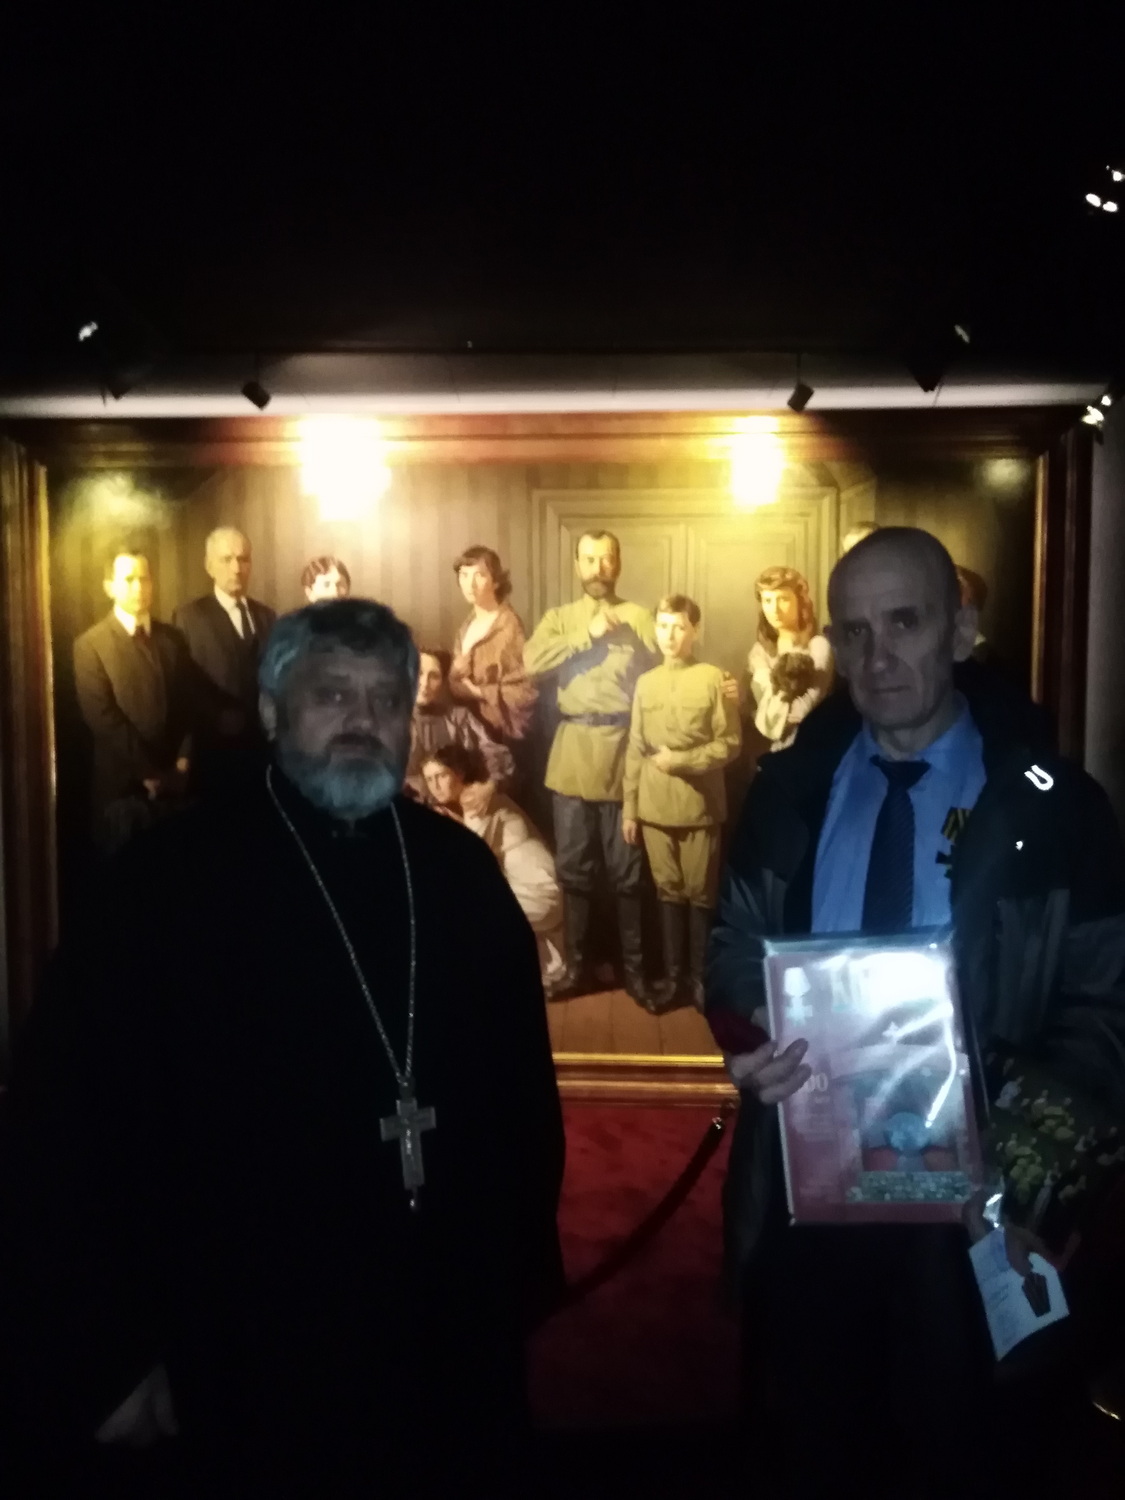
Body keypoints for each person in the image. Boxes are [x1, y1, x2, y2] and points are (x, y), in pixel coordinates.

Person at [0, 599, 565, 1496]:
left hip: (438, 1318)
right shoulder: (167, 883)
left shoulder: (456, 873)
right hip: (246, 1329)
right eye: (330, 694)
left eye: (385, 699)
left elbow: (522, 1104)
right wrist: (108, 1349)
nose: (362, 720)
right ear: (270, 709)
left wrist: (512, 1284)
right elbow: (66, 1120)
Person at [707, 527, 1125, 1496]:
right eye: (853, 632)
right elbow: (732, 945)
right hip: (811, 1194)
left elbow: (1105, 1009)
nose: (877, 656)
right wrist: (753, 1028)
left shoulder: (1054, 808)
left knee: (964, 1449)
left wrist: (1025, 1181)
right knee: (816, 1444)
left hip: (976, 1211)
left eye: (904, 623)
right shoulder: (788, 791)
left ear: (961, 631)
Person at [524, 530, 659, 1006]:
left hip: (625, 751)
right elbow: (531, 661)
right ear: (576, 565)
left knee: (628, 873)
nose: (598, 568)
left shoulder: (640, 616)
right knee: (574, 870)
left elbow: (673, 662)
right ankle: (577, 970)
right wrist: (588, 634)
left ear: (618, 564)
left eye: (606, 559)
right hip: (573, 752)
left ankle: (636, 975)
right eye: (589, 559)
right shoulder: (560, 619)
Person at [622, 594, 741, 1010]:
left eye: (678, 627)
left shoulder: (713, 679)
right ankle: (674, 982)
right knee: (667, 892)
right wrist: (630, 808)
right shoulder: (645, 682)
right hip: (654, 808)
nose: (669, 636)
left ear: (695, 631)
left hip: (700, 806)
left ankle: (700, 982)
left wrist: (683, 760)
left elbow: (730, 743)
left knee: (701, 894)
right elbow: (635, 748)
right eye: (662, 626)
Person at [73, 547, 194, 853]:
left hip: (175, 791)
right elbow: (102, 718)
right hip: (122, 797)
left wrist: (182, 763)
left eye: (145, 578)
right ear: (109, 587)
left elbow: (187, 704)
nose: (139, 587)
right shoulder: (91, 645)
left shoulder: (173, 639)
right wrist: (149, 773)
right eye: (128, 580)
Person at [422, 743, 566, 993]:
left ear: (459, 773)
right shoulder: (471, 800)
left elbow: (466, 867)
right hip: (531, 888)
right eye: (429, 779)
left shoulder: (475, 802)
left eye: (442, 776)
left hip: (541, 894)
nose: (435, 786)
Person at [173, 526, 277, 795]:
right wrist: (184, 752)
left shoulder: (267, 616)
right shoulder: (189, 618)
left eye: (243, 559)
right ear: (209, 566)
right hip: (213, 755)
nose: (236, 568)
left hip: (262, 754)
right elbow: (183, 688)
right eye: (226, 559)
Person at [448, 545, 537, 749]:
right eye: (464, 575)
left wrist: (476, 692)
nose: (470, 584)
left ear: (496, 581)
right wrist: (453, 675)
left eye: (479, 575)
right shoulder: (466, 626)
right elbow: (455, 682)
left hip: (500, 735)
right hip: (469, 731)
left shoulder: (509, 626)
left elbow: (523, 691)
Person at [407, 647, 513, 800]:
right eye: (419, 673)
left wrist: (490, 786)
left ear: (443, 681)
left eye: (434, 676)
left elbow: (493, 751)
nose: (424, 683)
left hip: (461, 803)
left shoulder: (458, 718)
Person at [746, 564, 832, 750]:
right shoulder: (759, 653)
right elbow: (762, 705)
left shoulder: (818, 646)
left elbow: (808, 705)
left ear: (799, 601)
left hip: (811, 745)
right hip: (771, 748)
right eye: (767, 600)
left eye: (783, 599)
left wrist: (780, 714)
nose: (774, 609)